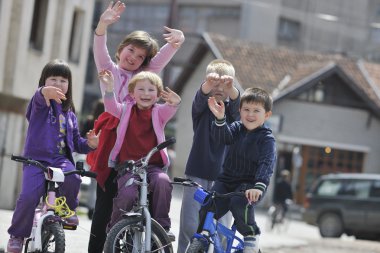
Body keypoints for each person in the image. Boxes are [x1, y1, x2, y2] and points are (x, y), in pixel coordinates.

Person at [88, 1, 185, 252]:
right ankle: (104, 242)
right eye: (131, 51)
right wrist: (102, 25)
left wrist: (175, 43)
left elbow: (159, 62)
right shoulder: (109, 70)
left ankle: (148, 236)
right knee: (105, 201)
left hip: (140, 140)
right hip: (113, 136)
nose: (133, 58)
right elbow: (99, 49)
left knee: (150, 190)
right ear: (121, 49)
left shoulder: (144, 78)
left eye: (141, 56)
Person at [6, 59, 100, 253]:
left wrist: (90, 144)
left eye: (63, 80)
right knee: (28, 196)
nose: (58, 84)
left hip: (59, 160)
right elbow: (39, 97)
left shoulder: (70, 113)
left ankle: (65, 209)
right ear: (43, 81)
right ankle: (17, 235)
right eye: (53, 79)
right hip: (36, 160)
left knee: (73, 176)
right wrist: (42, 92)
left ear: (69, 85)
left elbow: (76, 143)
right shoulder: (39, 105)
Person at [98, 69, 181, 239]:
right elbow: (110, 106)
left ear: (158, 95)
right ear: (131, 93)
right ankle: (115, 229)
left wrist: (175, 103)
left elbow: (170, 108)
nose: (146, 93)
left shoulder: (159, 112)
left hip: (153, 166)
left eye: (151, 90)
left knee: (163, 182)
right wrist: (110, 89)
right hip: (129, 167)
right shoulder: (125, 110)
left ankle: (161, 228)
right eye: (141, 89)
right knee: (127, 194)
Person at [201, 87, 277, 253]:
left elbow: (266, 163)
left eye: (256, 110)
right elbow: (222, 137)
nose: (250, 114)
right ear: (240, 111)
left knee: (238, 203)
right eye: (246, 110)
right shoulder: (236, 127)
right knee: (209, 205)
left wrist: (258, 186)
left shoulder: (267, 139)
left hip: (250, 185)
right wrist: (220, 119)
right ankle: (202, 241)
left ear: (267, 115)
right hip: (226, 180)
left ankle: (251, 235)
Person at [177, 59, 240, 253]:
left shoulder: (232, 113)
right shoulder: (201, 110)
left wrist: (232, 89)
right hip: (197, 171)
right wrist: (208, 84)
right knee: (189, 223)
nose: (219, 88)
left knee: (221, 226)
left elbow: (238, 104)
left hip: (225, 176)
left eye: (224, 85)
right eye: (215, 84)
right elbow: (199, 98)